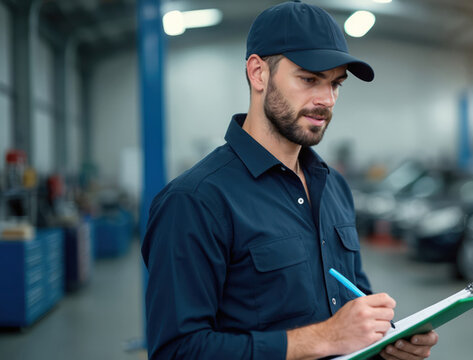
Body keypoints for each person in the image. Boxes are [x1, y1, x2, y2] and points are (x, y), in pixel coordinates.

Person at [141, 1, 439, 359]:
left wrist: (384, 342)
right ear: (258, 73)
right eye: (309, 79)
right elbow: (177, 350)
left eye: (336, 84)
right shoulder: (196, 201)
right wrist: (324, 338)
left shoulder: (334, 188)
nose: (326, 100)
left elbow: (350, 306)